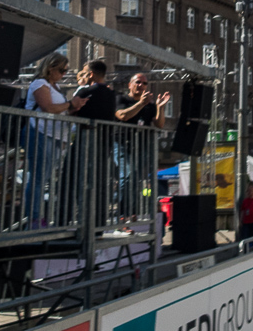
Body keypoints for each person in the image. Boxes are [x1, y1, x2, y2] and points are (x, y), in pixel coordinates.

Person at [24, 53, 86, 228]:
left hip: (55, 135)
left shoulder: (56, 87)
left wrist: (73, 108)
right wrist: (70, 104)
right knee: (38, 178)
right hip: (41, 132)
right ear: (50, 68)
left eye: (65, 70)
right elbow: (49, 108)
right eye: (61, 70)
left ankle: (38, 217)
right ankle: (34, 219)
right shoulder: (39, 84)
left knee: (43, 178)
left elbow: (59, 110)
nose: (63, 74)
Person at [114, 73, 170, 221]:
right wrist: (140, 104)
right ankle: (122, 213)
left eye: (144, 84)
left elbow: (159, 124)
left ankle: (131, 211)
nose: (141, 86)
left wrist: (160, 107)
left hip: (140, 146)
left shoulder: (149, 105)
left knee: (135, 179)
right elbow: (122, 116)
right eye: (138, 82)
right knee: (127, 175)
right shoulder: (121, 99)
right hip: (121, 143)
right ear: (130, 85)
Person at [69, 59, 117, 226]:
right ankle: (98, 225)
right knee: (99, 183)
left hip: (86, 141)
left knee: (75, 180)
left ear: (90, 74)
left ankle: (79, 222)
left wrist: (80, 90)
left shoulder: (86, 91)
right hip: (105, 142)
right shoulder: (112, 94)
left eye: (84, 72)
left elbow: (71, 111)